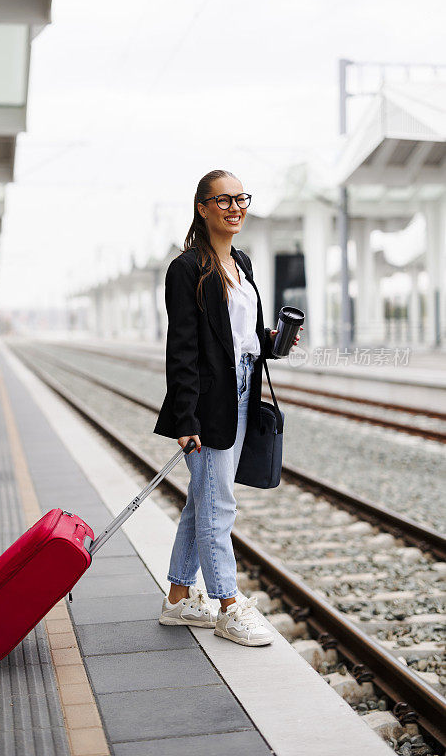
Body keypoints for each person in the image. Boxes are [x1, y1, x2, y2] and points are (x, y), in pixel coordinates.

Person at [153, 169, 303, 647]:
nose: (236, 207)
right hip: (209, 402)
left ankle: (178, 600)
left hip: (243, 388)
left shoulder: (242, 262)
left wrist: (271, 341)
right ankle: (228, 605)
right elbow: (182, 350)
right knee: (219, 505)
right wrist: (185, 419)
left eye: (241, 199)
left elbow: (240, 336)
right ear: (202, 208)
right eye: (224, 200)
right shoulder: (186, 270)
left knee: (203, 503)